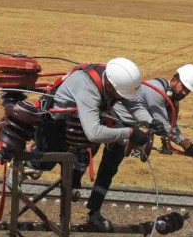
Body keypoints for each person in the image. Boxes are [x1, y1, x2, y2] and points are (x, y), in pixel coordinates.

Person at [85, 64, 193, 230]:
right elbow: (164, 124)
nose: (184, 93)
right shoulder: (156, 91)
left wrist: (172, 142)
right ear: (174, 80)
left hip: (127, 131)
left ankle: (93, 212)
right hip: (109, 119)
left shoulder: (171, 102)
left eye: (188, 91)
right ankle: (72, 186)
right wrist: (187, 145)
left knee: (108, 171)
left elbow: (166, 126)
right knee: (85, 153)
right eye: (183, 87)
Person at [26, 57, 156, 189]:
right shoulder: (88, 88)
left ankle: (72, 177)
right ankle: (27, 166)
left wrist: (151, 122)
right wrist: (130, 133)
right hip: (54, 124)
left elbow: (133, 104)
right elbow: (93, 133)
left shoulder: (114, 80)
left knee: (84, 158)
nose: (122, 98)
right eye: (121, 94)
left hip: (76, 126)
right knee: (47, 160)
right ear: (110, 86)